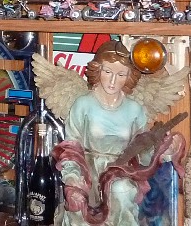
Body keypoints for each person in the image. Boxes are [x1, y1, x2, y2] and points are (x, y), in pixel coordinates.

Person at [57, 41, 159, 226]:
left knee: (122, 191)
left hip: (120, 172)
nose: (113, 81)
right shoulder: (83, 105)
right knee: (79, 202)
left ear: (129, 76)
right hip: (88, 172)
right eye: (107, 72)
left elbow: (143, 151)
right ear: (98, 70)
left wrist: (162, 149)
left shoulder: (135, 110)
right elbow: (72, 147)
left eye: (121, 75)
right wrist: (72, 176)